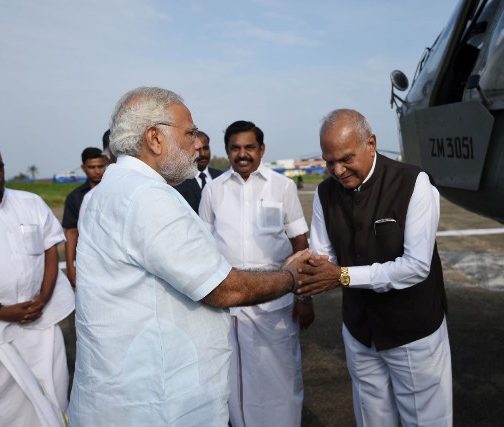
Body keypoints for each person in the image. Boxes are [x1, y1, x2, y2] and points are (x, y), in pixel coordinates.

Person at [68, 87, 310, 426]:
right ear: (154, 138)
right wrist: (291, 278)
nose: (197, 144)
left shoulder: (110, 190)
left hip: (126, 389)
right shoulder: (146, 197)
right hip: (156, 401)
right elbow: (224, 289)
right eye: (189, 133)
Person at [296, 109, 453, 427]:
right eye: (329, 162)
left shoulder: (413, 183)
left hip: (413, 331)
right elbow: (324, 255)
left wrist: (342, 276)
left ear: (371, 143)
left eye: (346, 159)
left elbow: (416, 266)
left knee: (426, 420)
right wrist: (306, 269)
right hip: (359, 331)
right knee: (371, 418)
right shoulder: (325, 193)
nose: (338, 171)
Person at [199, 120, 314, 427]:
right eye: (235, 148)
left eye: (249, 147)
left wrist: (305, 298)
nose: (242, 154)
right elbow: (204, 247)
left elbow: (300, 245)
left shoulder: (283, 187)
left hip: (276, 303)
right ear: (227, 151)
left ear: (261, 149)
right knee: (234, 382)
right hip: (229, 304)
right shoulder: (213, 190)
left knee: (281, 377)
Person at [0, 142, 75, 427]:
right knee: (8, 403)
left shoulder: (30, 202)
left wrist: (43, 297)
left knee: (54, 392)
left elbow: (51, 249)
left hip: (41, 318)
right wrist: (0, 312)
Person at [61, 147, 107, 287]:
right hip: (88, 260)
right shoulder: (75, 197)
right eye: (92, 167)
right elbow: (71, 232)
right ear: (83, 168)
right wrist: (70, 267)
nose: (97, 171)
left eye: (101, 166)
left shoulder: (114, 190)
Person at [174, 130, 223, 213]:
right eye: (197, 149)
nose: (203, 154)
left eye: (206, 148)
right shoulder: (178, 182)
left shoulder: (221, 177)